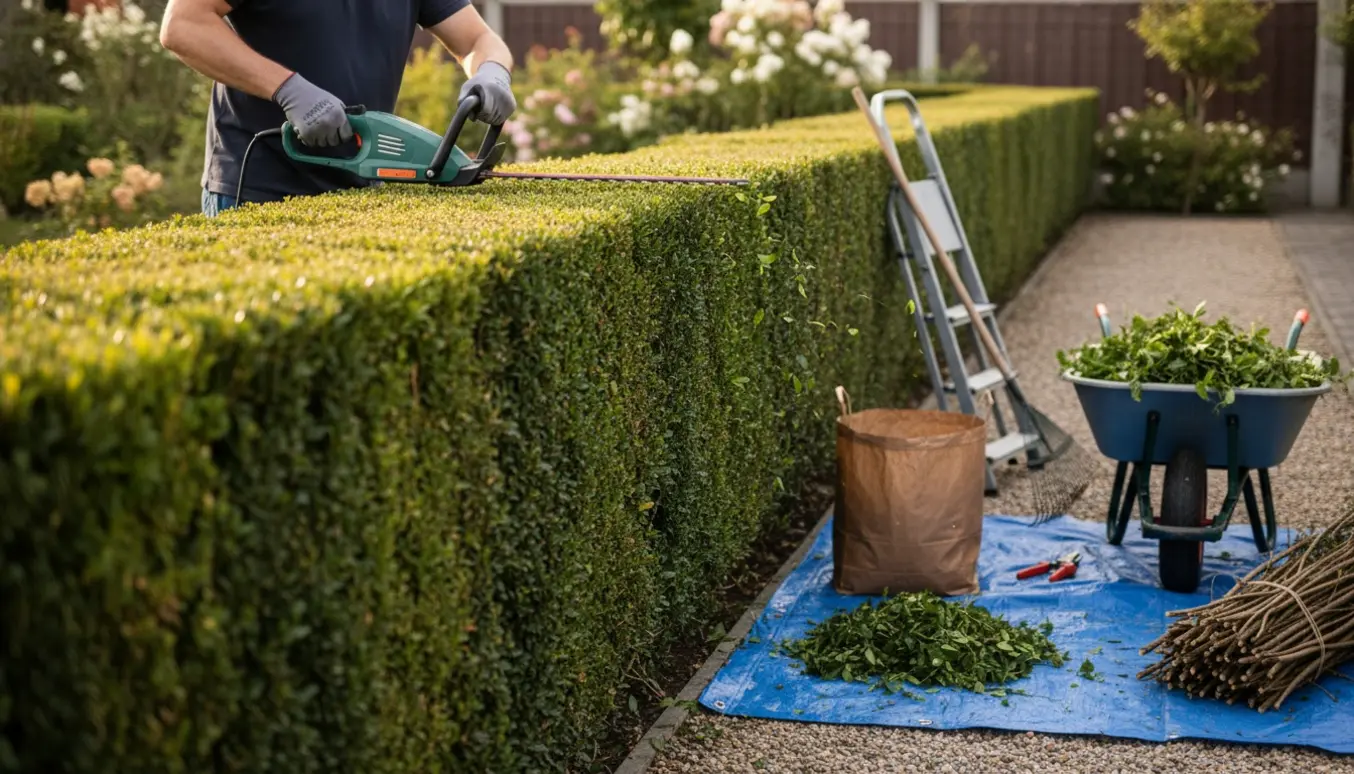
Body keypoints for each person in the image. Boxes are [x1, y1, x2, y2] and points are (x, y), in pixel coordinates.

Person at [158, 0, 517, 216]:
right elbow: (183, 25)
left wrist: (493, 72)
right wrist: (287, 89)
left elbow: (477, 39)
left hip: (360, 190)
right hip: (257, 187)